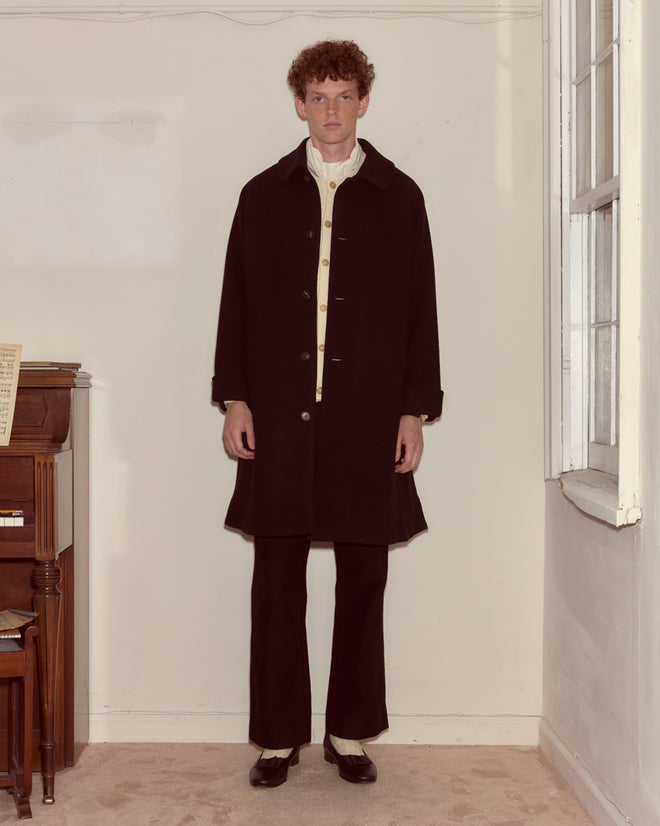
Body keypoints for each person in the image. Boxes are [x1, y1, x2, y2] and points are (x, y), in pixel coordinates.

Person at [212, 39, 443, 788]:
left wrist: (413, 411)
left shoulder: (400, 197)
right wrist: (235, 397)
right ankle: (278, 738)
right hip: (280, 417)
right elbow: (236, 303)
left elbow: (420, 312)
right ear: (300, 104)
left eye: (345, 96)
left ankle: (349, 730)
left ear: (364, 101)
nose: (332, 110)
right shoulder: (262, 195)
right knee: (276, 580)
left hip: (368, 417)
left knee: (363, 578)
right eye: (319, 97)